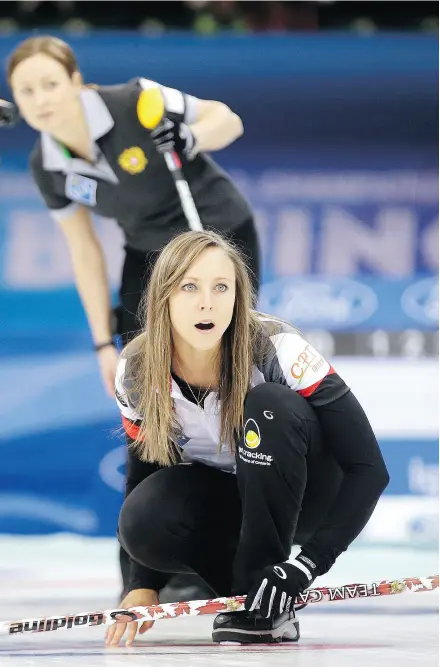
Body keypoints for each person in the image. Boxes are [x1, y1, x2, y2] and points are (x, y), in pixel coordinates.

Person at [7, 35, 261, 600]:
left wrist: (191, 134)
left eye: (51, 83)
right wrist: (103, 341)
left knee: (216, 395)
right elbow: (84, 251)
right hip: (147, 258)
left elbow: (228, 120)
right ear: (17, 104)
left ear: (77, 81)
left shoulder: (136, 101)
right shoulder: (47, 165)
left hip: (214, 241)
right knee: (148, 406)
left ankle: (230, 557)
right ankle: (144, 581)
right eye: (26, 91)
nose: (42, 98)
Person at [106, 229, 390, 647]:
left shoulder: (277, 349)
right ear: (162, 297)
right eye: (189, 287)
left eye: (222, 287)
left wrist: (306, 566)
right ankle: (252, 596)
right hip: (235, 502)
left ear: (239, 296)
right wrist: (141, 584)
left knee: (268, 404)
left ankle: (268, 582)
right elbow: (145, 474)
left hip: (309, 497)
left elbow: (368, 470)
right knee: (141, 520)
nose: (207, 302)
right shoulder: (135, 370)